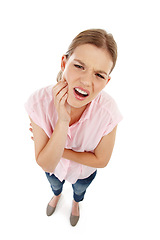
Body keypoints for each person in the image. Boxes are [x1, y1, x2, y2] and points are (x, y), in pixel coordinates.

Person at [25, 28, 123, 227]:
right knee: (54, 185)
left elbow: (101, 160)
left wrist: (58, 149)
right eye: (79, 66)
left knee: (80, 190)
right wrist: (62, 121)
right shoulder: (38, 103)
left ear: (107, 81)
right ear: (64, 63)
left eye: (99, 75)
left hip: (83, 173)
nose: (86, 81)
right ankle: (56, 195)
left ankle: (76, 203)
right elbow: (46, 165)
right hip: (55, 172)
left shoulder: (109, 111)